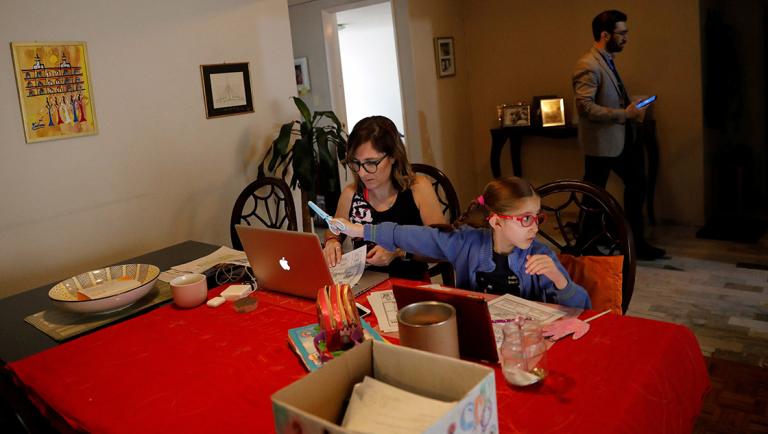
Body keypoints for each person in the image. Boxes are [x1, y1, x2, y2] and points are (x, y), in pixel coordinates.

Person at [332, 176, 591, 309]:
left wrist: (560, 281)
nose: (534, 226)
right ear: (496, 222)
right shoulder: (465, 243)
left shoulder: (540, 254)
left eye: (537, 217)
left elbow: (583, 307)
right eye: (525, 219)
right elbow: (408, 234)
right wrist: (358, 229)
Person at [572, 10, 666, 260]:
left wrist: (631, 105)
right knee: (601, 191)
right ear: (605, 35)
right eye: (622, 33)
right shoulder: (588, 65)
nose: (626, 38)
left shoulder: (606, 60)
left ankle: (602, 242)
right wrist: (625, 114)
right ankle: (626, 244)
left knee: (601, 190)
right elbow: (585, 108)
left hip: (616, 139)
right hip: (604, 143)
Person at [322, 115, 447, 280]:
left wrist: (400, 251)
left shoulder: (418, 189)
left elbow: (441, 248)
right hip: (365, 285)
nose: (362, 172)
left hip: (410, 288)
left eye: (371, 162)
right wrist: (332, 242)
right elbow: (334, 231)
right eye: (356, 163)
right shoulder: (351, 194)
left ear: (393, 156)